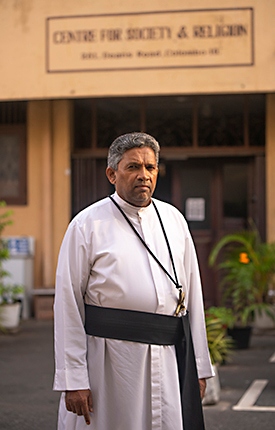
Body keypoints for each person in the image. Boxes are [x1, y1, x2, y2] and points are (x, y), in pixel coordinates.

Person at [53, 132, 214, 430]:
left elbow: (193, 298)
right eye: (133, 167)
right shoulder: (87, 225)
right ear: (112, 174)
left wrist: (199, 368)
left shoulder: (174, 220)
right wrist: (73, 378)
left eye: (150, 167)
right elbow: (67, 304)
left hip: (168, 359)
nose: (144, 175)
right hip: (109, 363)